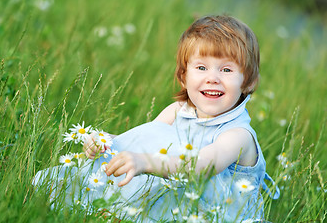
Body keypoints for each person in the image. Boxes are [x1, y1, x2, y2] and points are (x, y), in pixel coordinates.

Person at [33, 15, 279, 222]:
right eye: (201, 68)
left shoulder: (237, 135)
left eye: (226, 70)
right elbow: (143, 141)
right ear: (183, 76)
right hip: (179, 203)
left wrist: (144, 162)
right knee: (155, 135)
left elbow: (200, 168)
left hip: (216, 215)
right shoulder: (179, 110)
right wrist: (106, 142)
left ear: (248, 81)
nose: (212, 77)